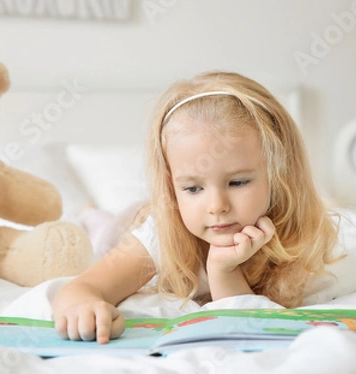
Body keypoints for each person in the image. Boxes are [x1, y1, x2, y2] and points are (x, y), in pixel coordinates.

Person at [53, 71, 340, 343]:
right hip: (123, 226)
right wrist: (85, 306)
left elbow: (243, 320)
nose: (217, 206)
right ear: (170, 188)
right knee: (102, 229)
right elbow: (80, 289)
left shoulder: (291, 229)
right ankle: (90, 213)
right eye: (192, 188)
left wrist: (222, 269)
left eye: (238, 182)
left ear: (279, 174)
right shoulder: (157, 236)